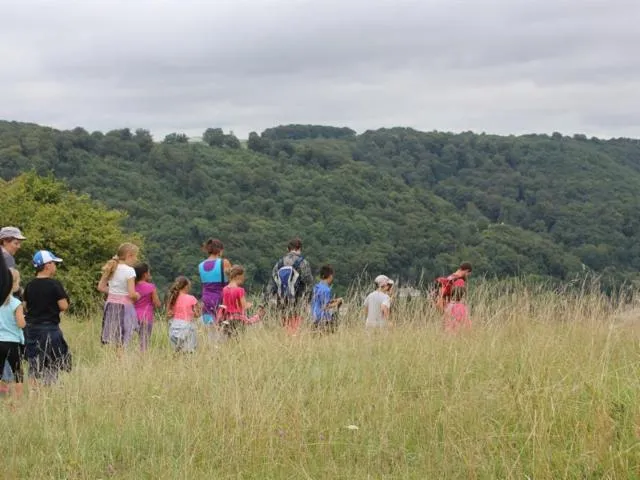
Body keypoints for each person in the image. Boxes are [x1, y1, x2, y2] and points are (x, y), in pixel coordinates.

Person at [23, 250, 71, 385]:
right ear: (47, 265)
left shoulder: (29, 285)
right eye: (54, 263)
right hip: (49, 327)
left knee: (34, 361)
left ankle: (34, 392)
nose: (55, 266)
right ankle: (48, 390)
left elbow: (25, 306)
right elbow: (63, 306)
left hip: (32, 328)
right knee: (51, 361)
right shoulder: (54, 284)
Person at [265, 238, 314, 335]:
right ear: (299, 248)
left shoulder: (279, 264)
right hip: (298, 303)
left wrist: (265, 303)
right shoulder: (303, 262)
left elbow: (271, 285)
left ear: (287, 249)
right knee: (296, 331)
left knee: (284, 329)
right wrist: (308, 301)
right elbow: (309, 283)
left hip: (281, 303)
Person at [98, 243, 140, 347]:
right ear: (129, 255)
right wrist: (137, 295)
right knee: (123, 337)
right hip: (124, 307)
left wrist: (114, 292)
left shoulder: (111, 267)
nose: (136, 259)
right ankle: (120, 360)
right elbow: (131, 294)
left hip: (110, 305)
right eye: (135, 256)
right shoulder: (130, 271)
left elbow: (101, 287)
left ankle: (115, 359)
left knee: (113, 336)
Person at [0, 226, 25, 391]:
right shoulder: (6, 258)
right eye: (15, 242)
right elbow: (7, 284)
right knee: (13, 370)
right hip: (10, 337)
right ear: (4, 241)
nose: (18, 246)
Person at [217, 265, 264, 338]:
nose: (244, 278)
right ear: (238, 276)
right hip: (238, 321)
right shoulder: (240, 290)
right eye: (243, 276)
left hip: (227, 319)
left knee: (229, 341)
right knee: (238, 341)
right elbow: (244, 306)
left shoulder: (225, 289)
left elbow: (224, 305)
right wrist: (251, 304)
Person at [198, 239, 231, 326]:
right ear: (220, 250)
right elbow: (232, 281)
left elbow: (204, 285)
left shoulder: (201, 265)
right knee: (223, 329)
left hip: (206, 299)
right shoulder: (224, 262)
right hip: (221, 299)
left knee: (209, 329)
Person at [166, 276, 201, 353]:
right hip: (187, 327)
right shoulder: (191, 298)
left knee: (177, 352)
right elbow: (197, 314)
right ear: (186, 286)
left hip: (173, 327)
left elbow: (168, 314)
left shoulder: (172, 298)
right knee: (189, 352)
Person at [134, 263, 162, 352]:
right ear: (145, 274)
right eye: (149, 272)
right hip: (146, 317)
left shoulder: (131, 286)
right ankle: (142, 362)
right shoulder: (151, 287)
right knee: (144, 342)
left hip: (132, 316)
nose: (150, 274)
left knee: (131, 341)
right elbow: (157, 303)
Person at [311, 265, 342, 333]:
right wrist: (338, 302)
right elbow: (325, 306)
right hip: (323, 320)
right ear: (330, 276)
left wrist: (333, 300)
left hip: (314, 318)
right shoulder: (326, 289)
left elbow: (319, 302)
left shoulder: (316, 287)